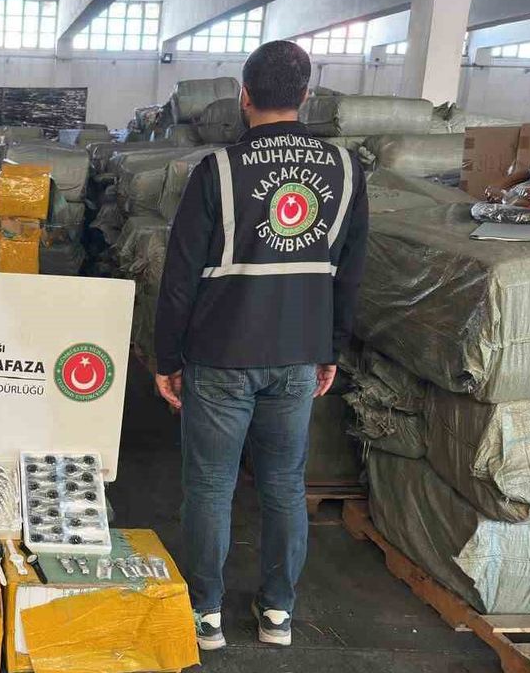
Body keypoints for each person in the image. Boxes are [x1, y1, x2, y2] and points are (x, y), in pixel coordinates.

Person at [152, 40, 368, 651]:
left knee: (210, 486)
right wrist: (331, 348)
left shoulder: (218, 171)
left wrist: (167, 358)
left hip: (221, 352)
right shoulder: (345, 170)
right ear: (306, 96)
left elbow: (179, 277)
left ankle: (206, 615)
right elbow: (350, 272)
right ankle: (278, 614)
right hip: (297, 351)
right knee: (284, 485)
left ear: (243, 97)